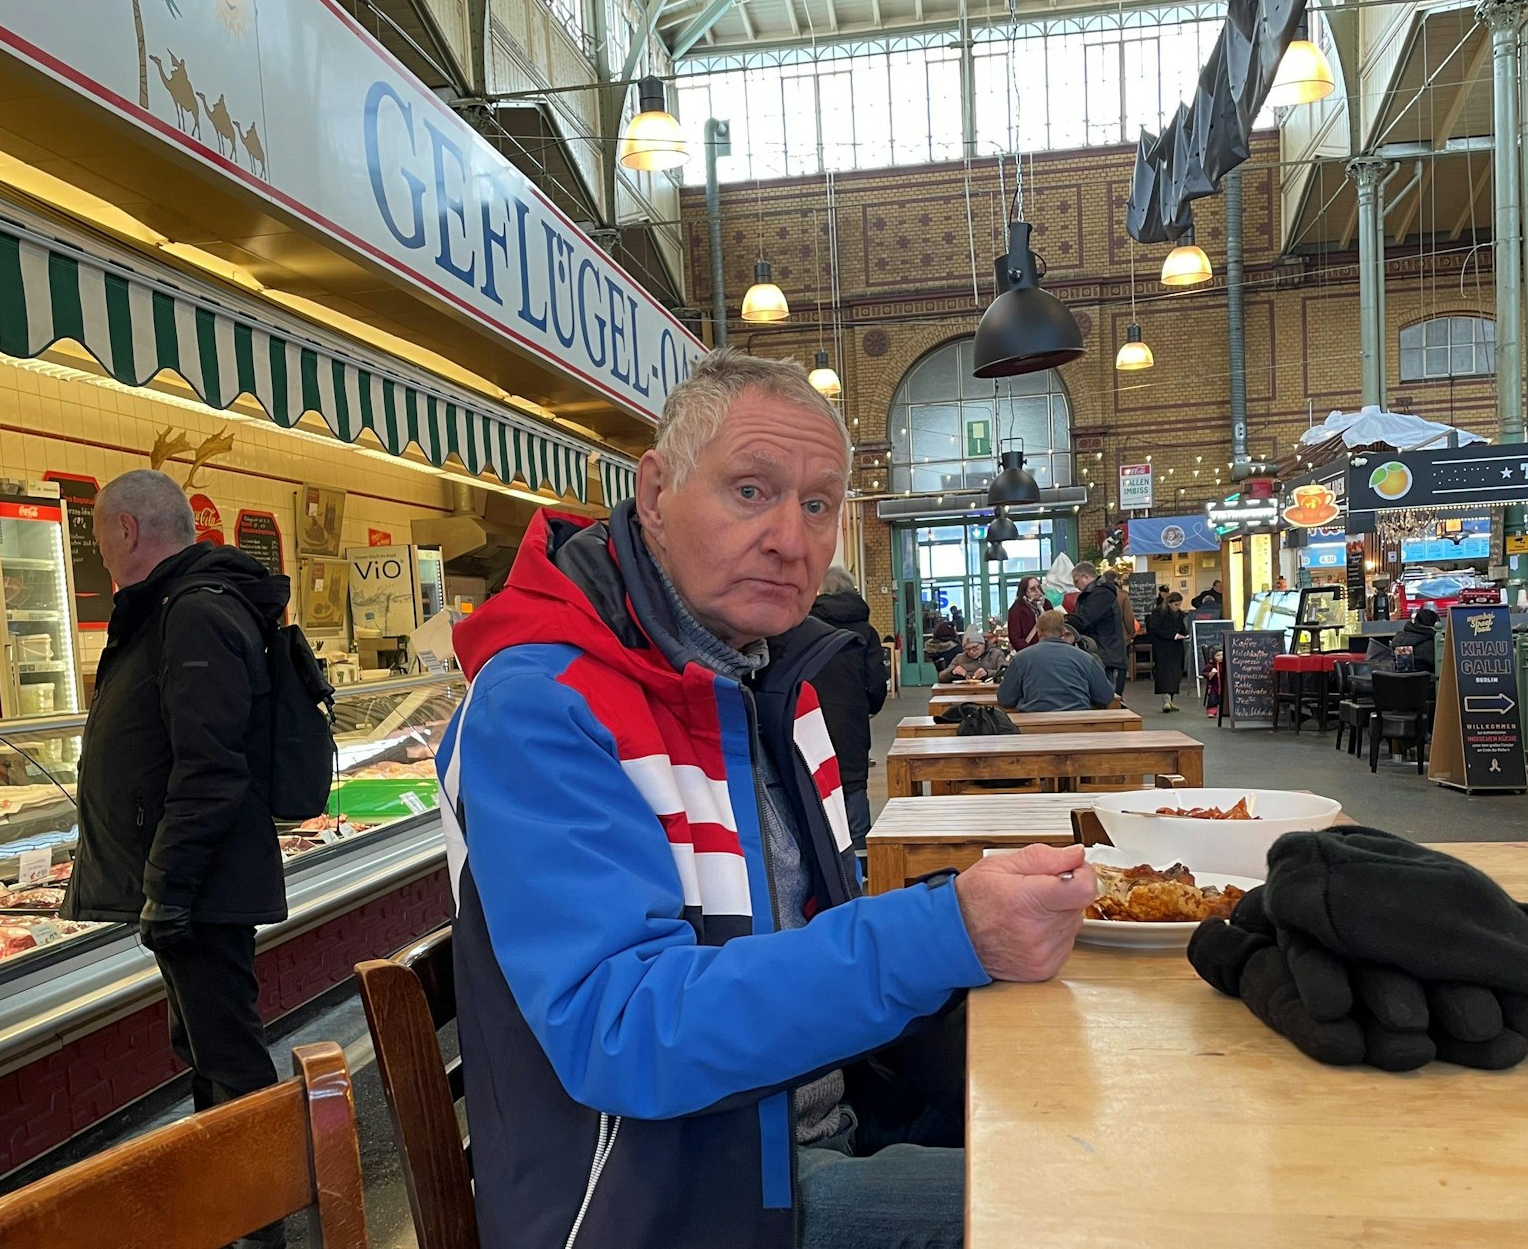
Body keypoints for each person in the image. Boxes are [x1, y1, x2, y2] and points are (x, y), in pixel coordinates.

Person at [437, 348, 1096, 1249]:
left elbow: (817, 929)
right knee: (1097, 1206)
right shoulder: (540, 706)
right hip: (669, 1203)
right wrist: (948, 931)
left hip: (818, 1128)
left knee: (1124, 1130)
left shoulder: (774, 686)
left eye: (818, 505)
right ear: (655, 492)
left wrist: (971, 919)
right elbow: (621, 1030)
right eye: (750, 491)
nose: (791, 539)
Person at [65, 470, 292, 1245]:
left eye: (101, 539)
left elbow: (210, 769)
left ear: (127, 531)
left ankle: (259, 1224)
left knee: (228, 1057)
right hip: (197, 879)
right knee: (205, 1048)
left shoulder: (192, 613)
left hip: (202, 883)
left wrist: (167, 886)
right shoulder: (179, 607)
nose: (101, 555)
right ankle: (231, 1208)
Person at [808, 566, 888, 850]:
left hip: (810, 719)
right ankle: (861, 857)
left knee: (816, 784)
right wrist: (869, 707)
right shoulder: (865, 631)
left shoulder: (804, 629)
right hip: (851, 719)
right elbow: (876, 681)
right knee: (853, 786)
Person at [997, 610, 1117, 713]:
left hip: (1035, 725)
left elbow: (1005, 699)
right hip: (1078, 723)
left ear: (1039, 632)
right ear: (1063, 631)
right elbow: (1105, 696)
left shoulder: (1021, 658)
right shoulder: (1086, 658)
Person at [1071, 563, 1128, 693]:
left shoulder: (1100, 594)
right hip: (1107, 653)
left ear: (1086, 577)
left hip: (1106, 656)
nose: (1075, 585)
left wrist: (1065, 622)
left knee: (1108, 697)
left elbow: (1085, 619)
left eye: (1076, 580)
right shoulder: (1099, 593)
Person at [1147, 592, 1188, 712]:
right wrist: (1173, 635)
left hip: (1176, 647)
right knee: (1164, 673)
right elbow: (1155, 628)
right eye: (1176, 604)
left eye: (1179, 604)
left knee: (1176, 673)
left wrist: (1185, 634)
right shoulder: (1158, 613)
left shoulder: (1179, 614)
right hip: (1163, 647)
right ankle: (1166, 699)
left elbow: (1182, 627)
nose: (1178, 607)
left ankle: (1170, 699)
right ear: (1169, 603)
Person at [939, 630, 1007, 682]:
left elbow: (1005, 674)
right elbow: (941, 677)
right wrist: (952, 672)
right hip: (965, 692)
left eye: (975, 647)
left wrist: (987, 673)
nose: (971, 651)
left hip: (991, 691)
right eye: (967, 649)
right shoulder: (960, 658)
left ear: (983, 644)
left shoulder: (996, 654)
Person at [1392, 606, 1439, 674]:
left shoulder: (1398, 638)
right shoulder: (1429, 644)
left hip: (1398, 679)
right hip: (1425, 679)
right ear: (1434, 625)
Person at [1007, 576, 1045, 651]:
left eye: (1038, 587)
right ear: (1024, 591)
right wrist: (1027, 651)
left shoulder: (1046, 604)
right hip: (1030, 651)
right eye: (1032, 589)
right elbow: (1015, 637)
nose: (1037, 591)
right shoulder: (1016, 609)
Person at [1202, 647, 1225, 718]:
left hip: (1223, 686)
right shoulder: (1210, 665)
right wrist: (1209, 674)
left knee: (1224, 699)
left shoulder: (1224, 665)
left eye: (1222, 655)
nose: (1221, 657)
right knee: (1212, 699)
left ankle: (1225, 711)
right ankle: (1211, 712)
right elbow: (1204, 672)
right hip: (1213, 686)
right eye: (1218, 655)